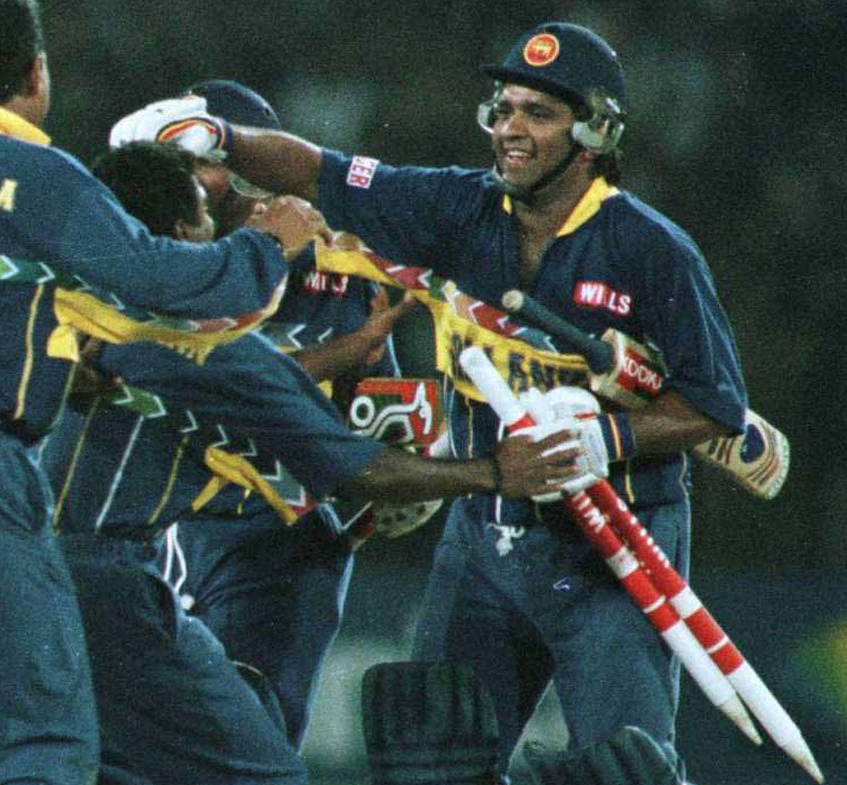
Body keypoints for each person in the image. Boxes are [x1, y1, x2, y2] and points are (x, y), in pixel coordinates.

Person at [111, 21, 749, 783]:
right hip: (482, 541)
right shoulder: (455, 206)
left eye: (538, 114)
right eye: (503, 110)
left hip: (612, 544)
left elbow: (716, 407)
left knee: (627, 768)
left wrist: (604, 438)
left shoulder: (651, 248)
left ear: (595, 132)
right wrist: (218, 136)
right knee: (433, 764)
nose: (511, 129)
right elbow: (318, 170)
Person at [0, 2, 325, 783]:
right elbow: (162, 284)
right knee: (38, 739)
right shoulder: (35, 173)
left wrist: (57, 361)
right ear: (36, 72)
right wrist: (267, 248)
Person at [39, 139, 588, 785]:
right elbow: (357, 470)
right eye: (208, 218)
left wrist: (352, 349)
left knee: (75, 761)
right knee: (264, 772)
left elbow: (223, 381)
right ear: (185, 236)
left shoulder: (63, 303)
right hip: (107, 581)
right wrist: (494, 472)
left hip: (12, 560)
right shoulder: (202, 341)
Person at [142, 80, 421, 749]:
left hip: (282, 537)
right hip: (164, 529)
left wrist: (395, 468)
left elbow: (378, 409)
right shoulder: (158, 254)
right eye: (176, 163)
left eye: (204, 160)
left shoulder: (341, 266)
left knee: (253, 740)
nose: (189, 181)